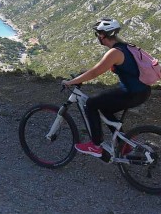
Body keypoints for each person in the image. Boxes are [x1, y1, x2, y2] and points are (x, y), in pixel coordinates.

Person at [62, 18, 150, 157]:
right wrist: (81, 75)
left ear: (103, 35)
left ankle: (95, 145)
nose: (97, 37)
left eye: (98, 34)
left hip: (132, 93)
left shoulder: (114, 52)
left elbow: (95, 72)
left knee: (91, 103)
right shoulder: (125, 47)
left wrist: (72, 82)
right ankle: (124, 144)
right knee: (104, 107)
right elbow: (97, 68)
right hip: (142, 91)